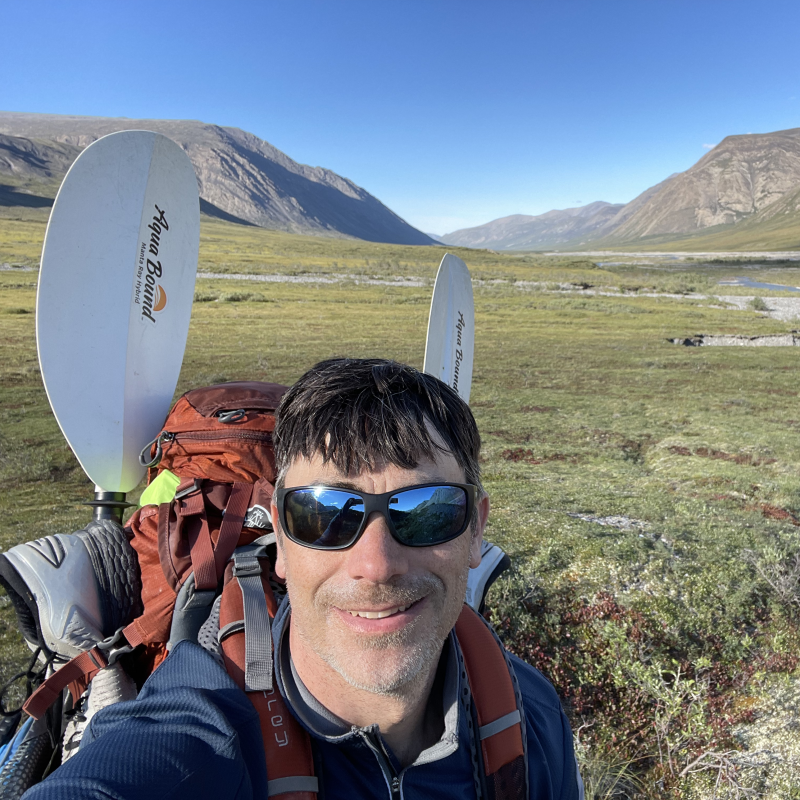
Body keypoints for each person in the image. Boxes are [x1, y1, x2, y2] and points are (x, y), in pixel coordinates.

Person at [23, 358, 583, 799]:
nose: (376, 564)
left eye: (427, 509)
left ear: (474, 534)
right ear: (281, 547)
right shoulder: (207, 723)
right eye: (326, 515)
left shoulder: (529, 716)